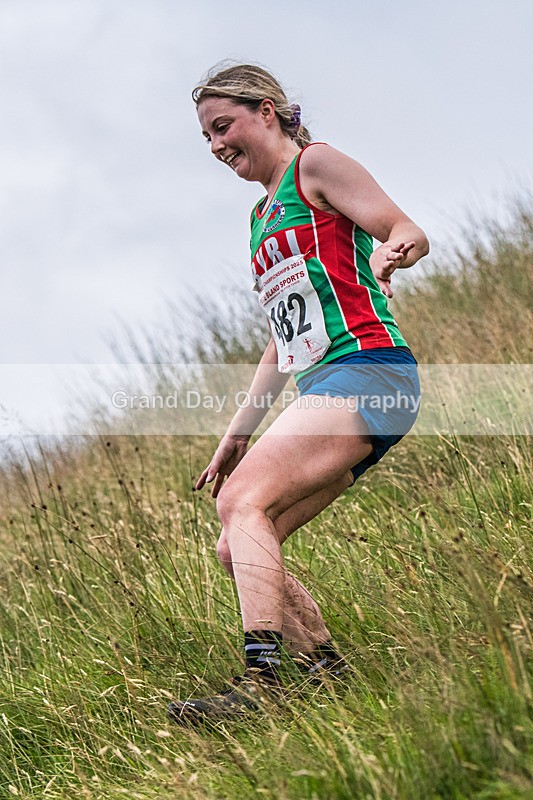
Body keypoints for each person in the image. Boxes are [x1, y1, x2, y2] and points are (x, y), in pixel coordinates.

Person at [168, 63, 429, 723]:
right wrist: (237, 434)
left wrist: (391, 253)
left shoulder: (315, 166)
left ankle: (262, 684)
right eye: (206, 136)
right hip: (331, 385)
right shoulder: (260, 218)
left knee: (241, 502)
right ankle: (327, 674)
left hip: (369, 370)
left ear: (266, 111)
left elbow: (405, 230)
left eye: (222, 126)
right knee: (237, 542)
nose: (216, 145)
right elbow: (282, 342)